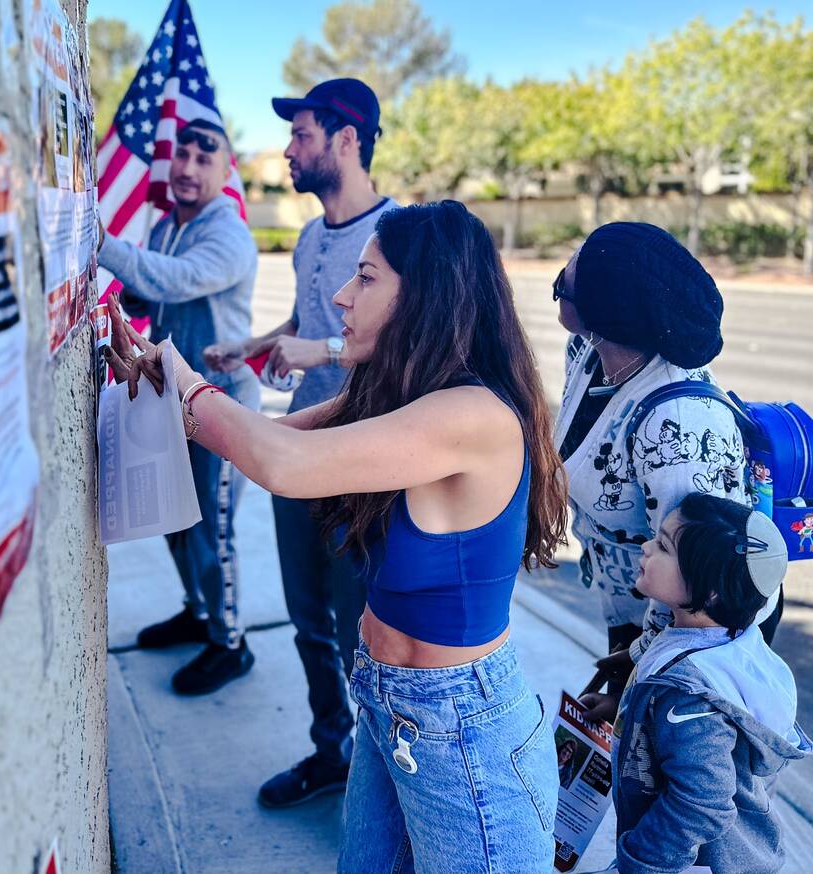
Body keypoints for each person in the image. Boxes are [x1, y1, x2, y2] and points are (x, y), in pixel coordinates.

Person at [105, 200, 569, 873]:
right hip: (388, 706)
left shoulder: (473, 413)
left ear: (428, 298)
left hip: (462, 729)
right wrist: (154, 380)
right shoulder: (387, 392)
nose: (340, 296)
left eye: (367, 279)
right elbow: (260, 441)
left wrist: (187, 384)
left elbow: (283, 466)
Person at [204, 77, 400, 807]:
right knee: (306, 618)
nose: (288, 150)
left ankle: (382, 778)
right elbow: (304, 318)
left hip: (363, 461)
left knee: (363, 629)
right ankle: (332, 752)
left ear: (348, 140)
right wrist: (251, 347)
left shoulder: (400, 234)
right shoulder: (314, 235)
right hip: (298, 448)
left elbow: (418, 348)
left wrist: (321, 350)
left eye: (303, 135)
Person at [551, 223, 781, 723]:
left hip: (693, 636)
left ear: (607, 313)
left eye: (564, 284)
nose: (562, 276)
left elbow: (700, 587)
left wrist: (635, 678)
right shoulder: (590, 354)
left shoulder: (678, 426)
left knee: (665, 774)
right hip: (633, 604)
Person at [97, 117, 260, 695]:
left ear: (225, 170)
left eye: (204, 158)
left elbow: (177, 280)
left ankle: (230, 642)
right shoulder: (169, 223)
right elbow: (151, 289)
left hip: (219, 404)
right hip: (171, 397)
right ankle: (199, 611)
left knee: (212, 532)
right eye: (182, 155)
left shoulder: (230, 235)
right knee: (175, 522)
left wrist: (103, 245)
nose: (188, 167)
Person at [611, 493, 809, 874]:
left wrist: (641, 861)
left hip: (692, 864)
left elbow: (701, 800)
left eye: (665, 546)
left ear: (711, 590)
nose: (647, 547)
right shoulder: (722, 647)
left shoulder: (692, 696)